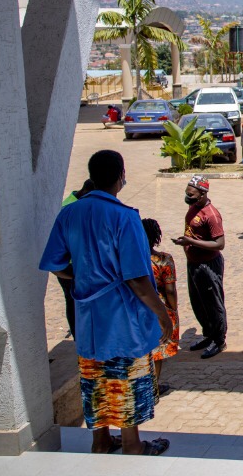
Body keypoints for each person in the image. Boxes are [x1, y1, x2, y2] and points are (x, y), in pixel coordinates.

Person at [39, 149, 173, 455]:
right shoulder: (125, 216)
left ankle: (100, 441)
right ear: (121, 176)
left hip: (87, 316)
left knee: (94, 375)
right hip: (122, 318)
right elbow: (137, 279)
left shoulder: (69, 213)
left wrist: (83, 275)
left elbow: (54, 264)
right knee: (127, 376)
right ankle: (132, 444)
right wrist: (162, 314)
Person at [174, 175, 227, 359]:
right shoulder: (193, 208)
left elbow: (220, 244)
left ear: (203, 194)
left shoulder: (211, 215)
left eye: (191, 194)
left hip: (208, 265)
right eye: (187, 193)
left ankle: (219, 340)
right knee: (199, 303)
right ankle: (208, 334)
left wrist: (191, 242)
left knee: (213, 304)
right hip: (194, 263)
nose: (187, 197)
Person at [143, 218, 179, 398]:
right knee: (158, 349)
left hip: (139, 307)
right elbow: (170, 290)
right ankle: (153, 388)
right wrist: (173, 310)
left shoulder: (132, 260)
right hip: (159, 307)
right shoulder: (164, 260)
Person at [57, 178, 96, 339]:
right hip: (71, 266)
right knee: (74, 301)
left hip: (75, 264)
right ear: (87, 193)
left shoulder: (73, 204)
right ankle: (79, 336)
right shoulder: (70, 209)